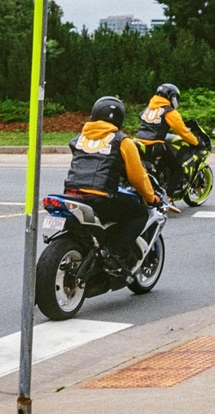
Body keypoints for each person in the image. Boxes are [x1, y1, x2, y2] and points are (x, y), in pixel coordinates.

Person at [64, 96, 159, 274]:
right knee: (138, 214)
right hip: (99, 198)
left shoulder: (78, 139)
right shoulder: (122, 141)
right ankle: (116, 256)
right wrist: (150, 197)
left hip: (71, 194)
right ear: (119, 119)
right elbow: (138, 177)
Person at [135, 83, 198, 193]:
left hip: (138, 142)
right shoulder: (169, 111)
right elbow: (182, 131)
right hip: (154, 145)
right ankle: (169, 196)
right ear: (172, 97)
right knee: (177, 168)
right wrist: (196, 142)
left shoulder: (149, 108)